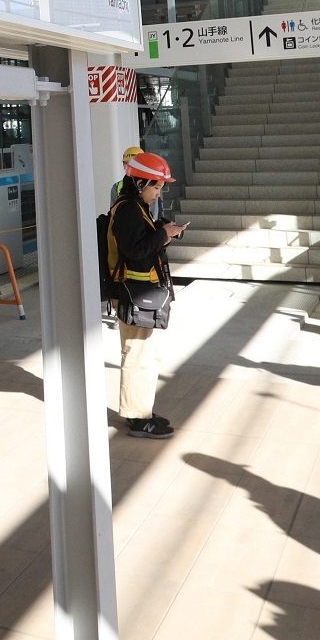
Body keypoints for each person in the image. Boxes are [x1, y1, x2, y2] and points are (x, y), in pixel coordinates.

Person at [107, 153, 185, 439]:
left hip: (139, 292)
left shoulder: (136, 206)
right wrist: (162, 234)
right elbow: (135, 249)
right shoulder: (128, 209)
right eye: (155, 187)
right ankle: (137, 418)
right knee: (138, 355)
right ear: (139, 182)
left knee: (144, 355)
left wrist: (165, 231)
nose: (158, 193)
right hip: (133, 293)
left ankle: (142, 411)